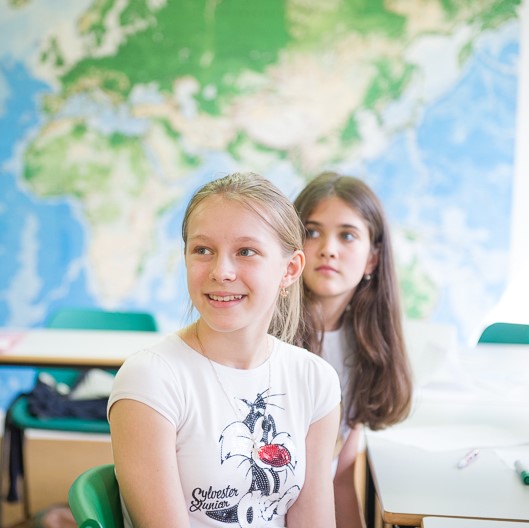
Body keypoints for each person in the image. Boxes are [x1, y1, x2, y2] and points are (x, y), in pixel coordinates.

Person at [108, 172, 341, 528]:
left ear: (290, 269)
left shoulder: (315, 379)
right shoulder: (150, 379)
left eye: (246, 252)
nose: (222, 272)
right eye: (203, 250)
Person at [293, 172, 413, 528]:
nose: (328, 248)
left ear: (372, 258)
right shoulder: (261, 339)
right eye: (311, 232)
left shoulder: (367, 348)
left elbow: (339, 480)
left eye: (347, 235)